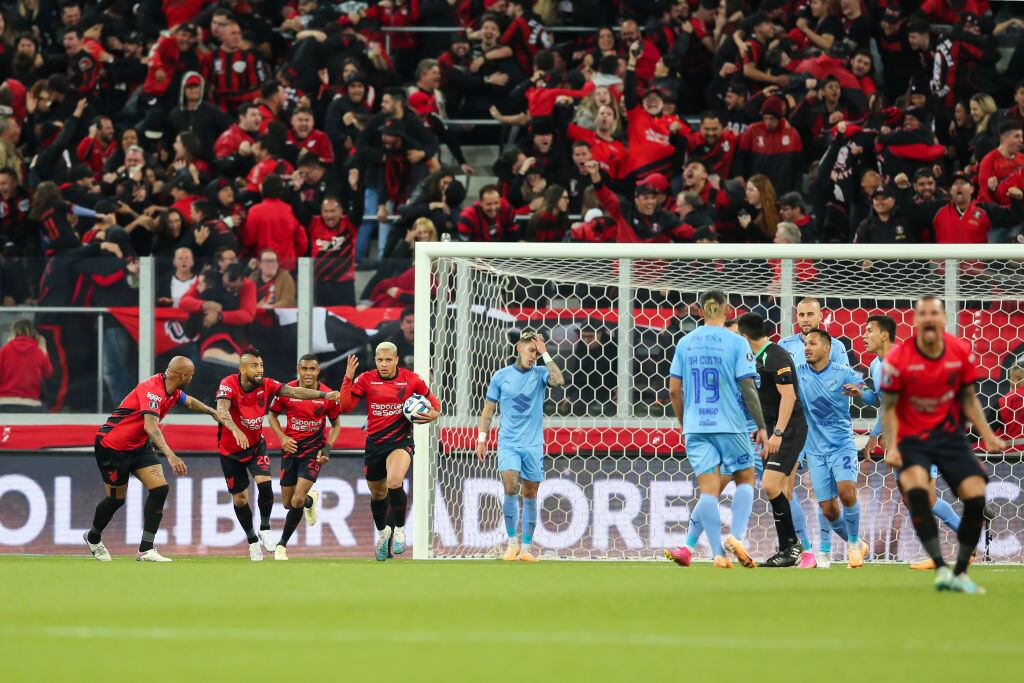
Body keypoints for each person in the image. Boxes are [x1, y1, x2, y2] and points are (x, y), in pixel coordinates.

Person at [881, 296, 1006, 593]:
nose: (928, 318)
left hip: (950, 437)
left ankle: (960, 572)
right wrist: (894, 445)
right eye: (922, 313)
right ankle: (940, 568)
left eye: (933, 313)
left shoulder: (959, 351)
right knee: (916, 493)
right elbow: (889, 406)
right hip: (913, 440)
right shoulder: (899, 360)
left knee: (976, 497)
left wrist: (987, 434)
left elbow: (968, 398)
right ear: (915, 320)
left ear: (943, 318)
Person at [84, 356, 248, 562]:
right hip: (113, 447)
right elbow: (150, 426)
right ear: (182, 375)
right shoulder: (153, 391)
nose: (192, 377)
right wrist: (171, 455)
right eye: (191, 374)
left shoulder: (171, 388)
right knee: (116, 499)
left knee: (160, 488)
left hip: (139, 446)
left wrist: (212, 412)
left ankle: (146, 549)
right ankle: (93, 537)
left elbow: (188, 401)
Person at [664, 290, 768, 569]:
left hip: (696, 426)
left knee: (708, 491)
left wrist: (686, 424)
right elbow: (747, 386)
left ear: (699, 310)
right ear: (727, 310)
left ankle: (717, 554)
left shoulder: (685, 343)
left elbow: (674, 390)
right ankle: (735, 536)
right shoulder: (736, 342)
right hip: (730, 425)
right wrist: (761, 425)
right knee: (745, 478)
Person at [215, 346, 340, 561]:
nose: (259, 369)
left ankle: (265, 529)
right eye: (254, 365)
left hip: (256, 446)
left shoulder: (267, 384)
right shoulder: (228, 384)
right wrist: (236, 430)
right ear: (242, 369)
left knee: (266, 485)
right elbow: (221, 410)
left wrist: (324, 395)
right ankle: (253, 541)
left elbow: (294, 392)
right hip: (230, 450)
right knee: (241, 500)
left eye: (261, 365)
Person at [861, 314, 963, 569]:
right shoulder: (875, 365)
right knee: (910, 498)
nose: (864, 336)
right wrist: (875, 433)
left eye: (869, 331)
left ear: (884, 335)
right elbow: (884, 402)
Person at [339, 342, 441, 561]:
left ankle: (401, 530)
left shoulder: (411, 379)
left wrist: (433, 414)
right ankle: (384, 532)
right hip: (374, 443)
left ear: (396, 359)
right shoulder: (366, 379)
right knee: (377, 493)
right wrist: (348, 378)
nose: (384, 364)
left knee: (394, 482)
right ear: (375, 360)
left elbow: (435, 405)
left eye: (388, 360)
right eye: (379, 360)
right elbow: (344, 407)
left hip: (400, 441)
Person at [475, 330, 565, 563]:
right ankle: (512, 544)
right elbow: (488, 410)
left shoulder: (541, 373)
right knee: (510, 484)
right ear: (519, 348)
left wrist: (545, 353)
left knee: (530, 493)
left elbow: (559, 381)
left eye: (537, 351)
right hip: (509, 443)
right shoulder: (501, 376)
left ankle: (525, 549)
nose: (533, 355)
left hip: (533, 445)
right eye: (531, 349)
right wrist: (482, 438)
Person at [778, 297, 849, 564]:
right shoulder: (784, 346)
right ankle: (806, 548)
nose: (805, 319)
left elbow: (841, 384)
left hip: (823, 427)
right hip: (794, 424)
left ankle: (826, 550)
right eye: (801, 314)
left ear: (821, 317)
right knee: (784, 486)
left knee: (825, 493)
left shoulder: (837, 347)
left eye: (810, 314)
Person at [736, 312, 808, 567]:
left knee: (769, 485)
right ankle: (794, 547)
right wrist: (762, 428)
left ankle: (792, 545)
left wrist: (777, 432)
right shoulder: (756, 358)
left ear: (745, 336)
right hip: (773, 430)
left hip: (789, 430)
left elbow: (789, 397)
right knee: (782, 491)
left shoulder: (775, 355)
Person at [796, 330, 869, 569]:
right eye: (806, 343)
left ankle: (852, 545)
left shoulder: (843, 372)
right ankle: (856, 543)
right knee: (828, 509)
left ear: (826, 348)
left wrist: (860, 393)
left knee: (847, 492)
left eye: (812, 343)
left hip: (841, 445)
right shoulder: (798, 374)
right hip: (815, 450)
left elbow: (867, 391)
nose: (807, 347)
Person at [267, 354, 341, 560]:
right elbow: (271, 414)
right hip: (290, 449)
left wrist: (327, 448)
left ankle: (282, 546)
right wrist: (281, 437)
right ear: (298, 370)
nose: (308, 373)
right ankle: (311, 500)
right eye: (304, 369)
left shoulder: (326, 395)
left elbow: (336, 425)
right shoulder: (287, 391)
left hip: (312, 450)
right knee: (288, 503)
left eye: (312, 369)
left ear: (318, 371)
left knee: (296, 499)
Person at [0, 319, 53, 412]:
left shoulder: (5, 349)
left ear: (14, 332)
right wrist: (44, 351)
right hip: (31, 403)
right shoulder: (38, 351)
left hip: (5, 401)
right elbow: (48, 374)